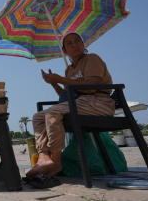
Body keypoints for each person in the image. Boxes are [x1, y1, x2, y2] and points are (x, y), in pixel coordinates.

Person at [25, 32, 115, 188]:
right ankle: (44, 157)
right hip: (79, 103)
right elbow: (65, 97)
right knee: (38, 116)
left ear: (83, 44)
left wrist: (59, 79)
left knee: (53, 112)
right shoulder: (69, 70)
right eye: (69, 43)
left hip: (99, 102)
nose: (75, 45)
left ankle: (56, 163)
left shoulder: (91, 58)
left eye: (77, 41)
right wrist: (53, 82)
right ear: (64, 51)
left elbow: (91, 86)